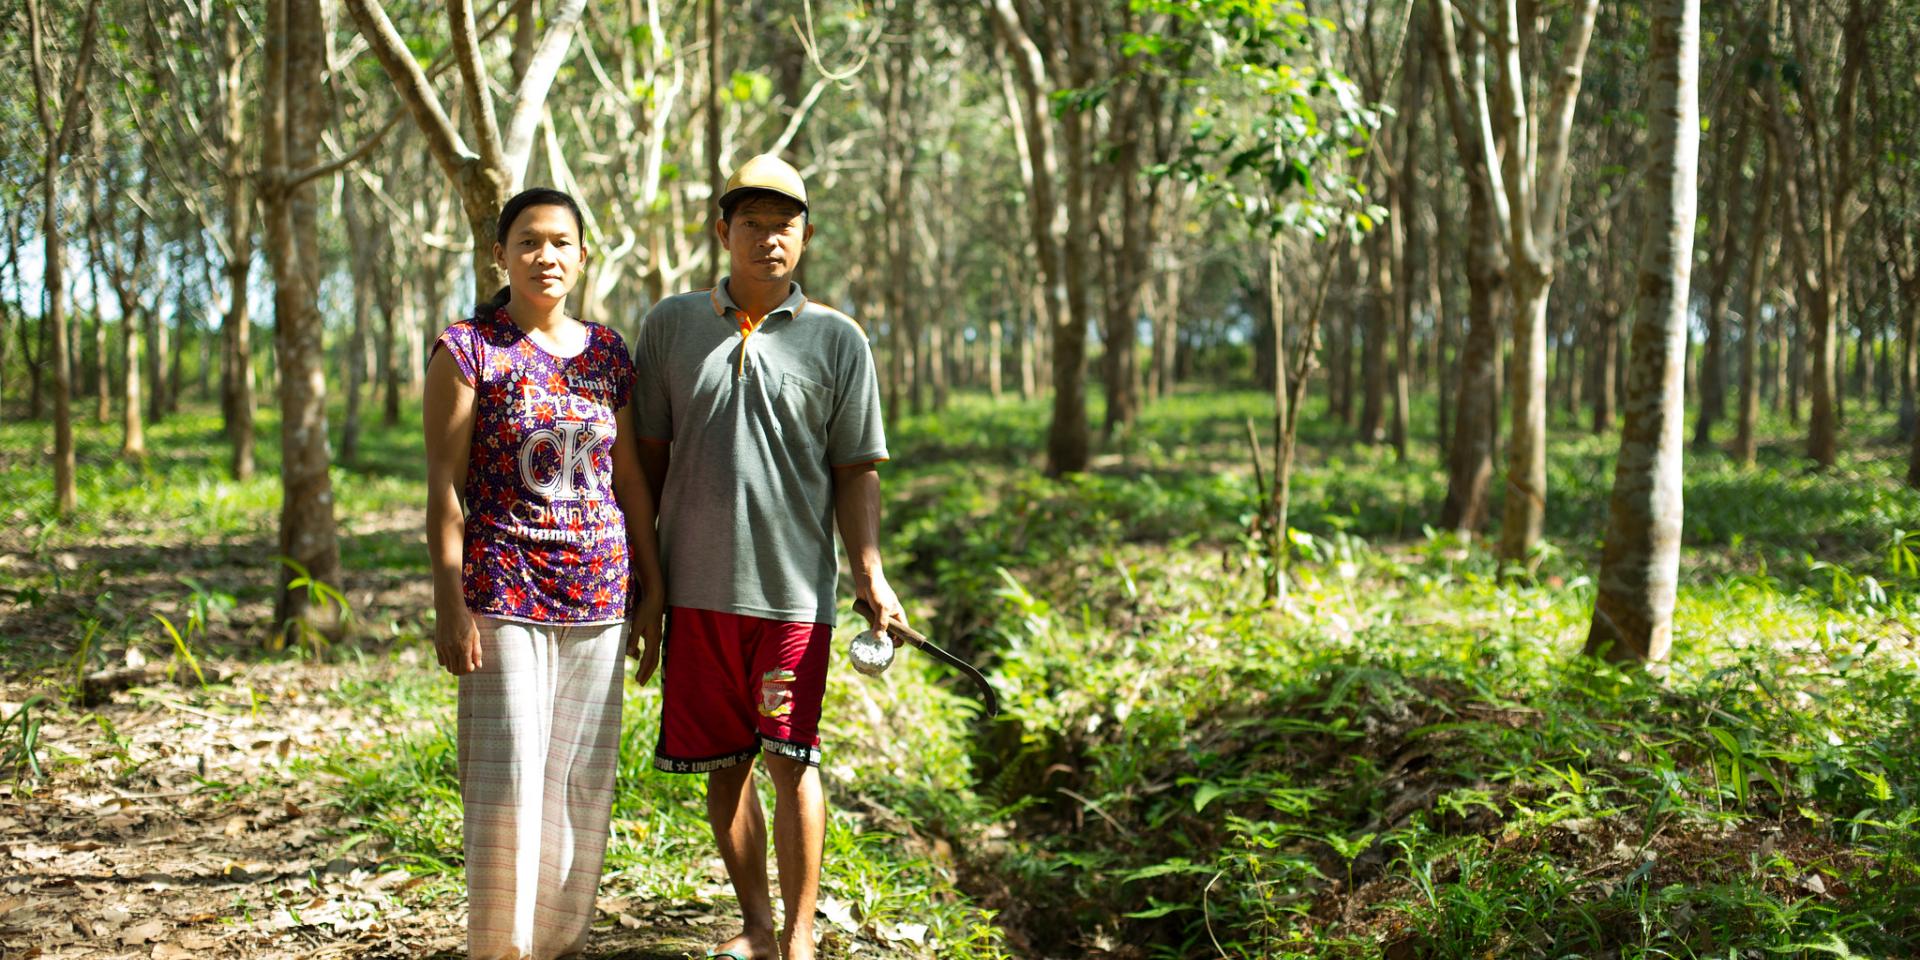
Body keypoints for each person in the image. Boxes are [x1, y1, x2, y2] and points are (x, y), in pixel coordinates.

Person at [633, 154, 903, 960]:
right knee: (726, 766)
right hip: (697, 590)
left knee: (794, 758)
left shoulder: (837, 340)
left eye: (784, 225)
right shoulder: (672, 327)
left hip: (792, 596)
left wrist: (869, 572)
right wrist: (645, 583)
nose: (768, 238)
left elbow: (856, 471)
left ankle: (798, 937)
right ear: (723, 232)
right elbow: (643, 464)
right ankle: (754, 922)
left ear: (806, 237)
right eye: (751, 223)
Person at [423, 186, 666, 960]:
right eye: (528, 241)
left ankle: (559, 945)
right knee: (509, 780)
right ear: (500, 254)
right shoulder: (469, 349)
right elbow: (442, 486)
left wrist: (651, 590)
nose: (546, 256)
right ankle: (502, 948)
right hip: (504, 588)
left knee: (580, 787)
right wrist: (450, 603)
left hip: (599, 592)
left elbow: (629, 482)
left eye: (561, 242)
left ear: (583, 254)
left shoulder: (607, 354)